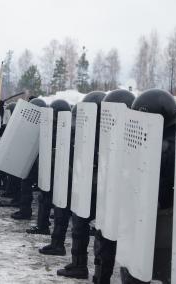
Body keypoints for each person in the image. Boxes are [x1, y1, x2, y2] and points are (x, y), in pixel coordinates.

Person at [119, 89, 176, 284]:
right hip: (155, 216)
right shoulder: (170, 139)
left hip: (161, 218)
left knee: (149, 270)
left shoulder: (168, 146)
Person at [56, 91, 106, 280]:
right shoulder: (90, 130)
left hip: (94, 186)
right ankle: (80, 265)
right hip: (91, 184)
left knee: (92, 230)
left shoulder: (102, 132)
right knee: (81, 226)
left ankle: (90, 270)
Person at [90, 89, 135, 284]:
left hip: (124, 199)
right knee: (105, 241)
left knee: (126, 251)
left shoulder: (137, 133)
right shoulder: (106, 131)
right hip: (111, 195)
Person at [27, 99, 71, 235]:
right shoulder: (64, 127)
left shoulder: (64, 129)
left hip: (58, 171)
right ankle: (43, 226)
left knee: (56, 203)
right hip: (55, 170)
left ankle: (48, 231)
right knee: (46, 199)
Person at [11, 98, 47, 220]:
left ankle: (25, 211)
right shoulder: (48, 121)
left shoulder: (31, 122)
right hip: (41, 161)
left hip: (34, 161)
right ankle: (36, 216)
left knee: (27, 187)